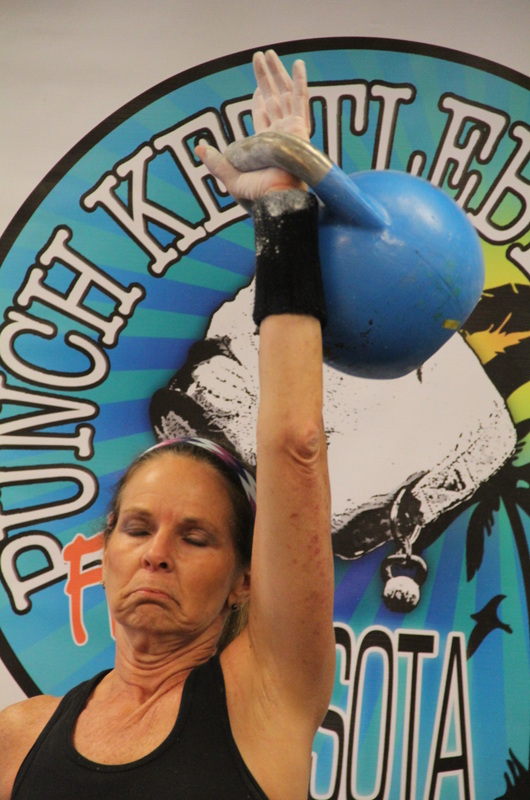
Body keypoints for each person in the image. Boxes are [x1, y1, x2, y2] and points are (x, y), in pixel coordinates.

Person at [0, 50, 335, 800]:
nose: (156, 555)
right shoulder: (17, 737)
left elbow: (294, 445)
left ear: (244, 580)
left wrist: (282, 208)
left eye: (197, 537)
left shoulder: (268, 699)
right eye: (137, 527)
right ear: (103, 549)